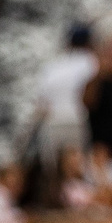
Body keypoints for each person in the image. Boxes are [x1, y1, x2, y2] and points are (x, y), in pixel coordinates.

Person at [30, 22, 99, 175]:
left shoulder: (53, 65)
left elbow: (41, 102)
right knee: (77, 167)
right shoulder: (90, 60)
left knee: (52, 169)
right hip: (76, 119)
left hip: (52, 121)